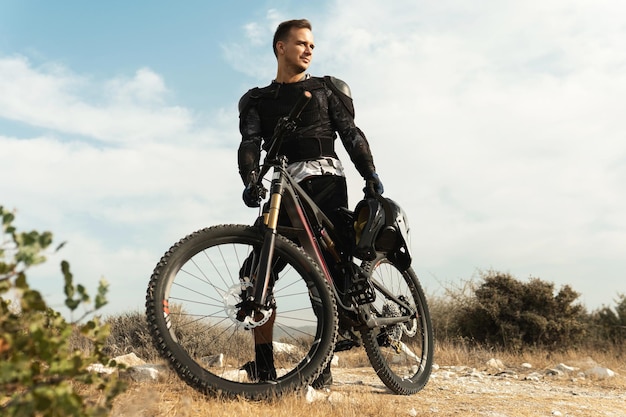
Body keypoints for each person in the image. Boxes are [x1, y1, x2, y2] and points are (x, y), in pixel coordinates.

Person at [237, 18, 384, 389]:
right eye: (301, 43)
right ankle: (265, 368)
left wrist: (370, 175)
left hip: (325, 182)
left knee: (325, 271)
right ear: (280, 48)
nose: (309, 50)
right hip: (281, 189)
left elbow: (351, 135)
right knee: (256, 275)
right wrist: (250, 180)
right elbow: (250, 143)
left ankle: (323, 368)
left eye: (312, 45)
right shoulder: (256, 99)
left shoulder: (325, 89)